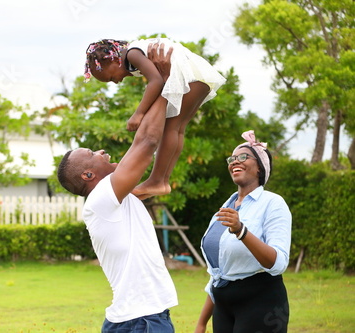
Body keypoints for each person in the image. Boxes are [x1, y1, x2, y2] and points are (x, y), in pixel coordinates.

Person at [58, 44, 178, 332]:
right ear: (88, 174)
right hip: (143, 321)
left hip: (131, 319)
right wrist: (164, 81)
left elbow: (144, 149)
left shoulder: (114, 199)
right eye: (92, 153)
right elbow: (146, 142)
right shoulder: (102, 198)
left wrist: (161, 85)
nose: (101, 150)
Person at [84, 37, 226, 200]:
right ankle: (162, 182)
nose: (116, 82)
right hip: (198, 76)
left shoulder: (132, 54)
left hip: (187, 76)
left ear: (113, 60)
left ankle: (157, 180)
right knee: (177, 129)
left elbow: (156, 81)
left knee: (170, 128)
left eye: (110, 78)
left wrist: (138, 114)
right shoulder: (135, 55)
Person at [194, 130, 292, 333]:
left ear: (260, 168)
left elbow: (278, 263)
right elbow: (218, 274)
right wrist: (202, 322)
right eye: (232, 158)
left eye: (243, 157)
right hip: (223, 306)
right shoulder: (226, 207)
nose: (234, 161)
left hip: (261, 304)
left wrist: (241, 231)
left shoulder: (273, 203)